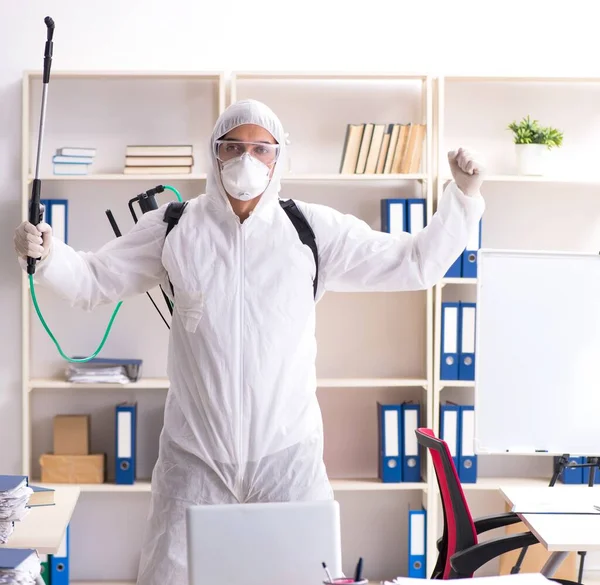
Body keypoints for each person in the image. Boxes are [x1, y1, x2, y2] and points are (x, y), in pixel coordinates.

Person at [14, 99, 485, 584]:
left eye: (261, 149)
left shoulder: (310, 229)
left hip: (288, 461)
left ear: (278, 158)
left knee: (305, 575)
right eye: (233, 147)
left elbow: (413, 262)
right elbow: (96, 279)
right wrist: (50, 255)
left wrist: (463, 198)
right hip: (193, 462)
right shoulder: (175, 226)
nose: (245, 159)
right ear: (213, 153)